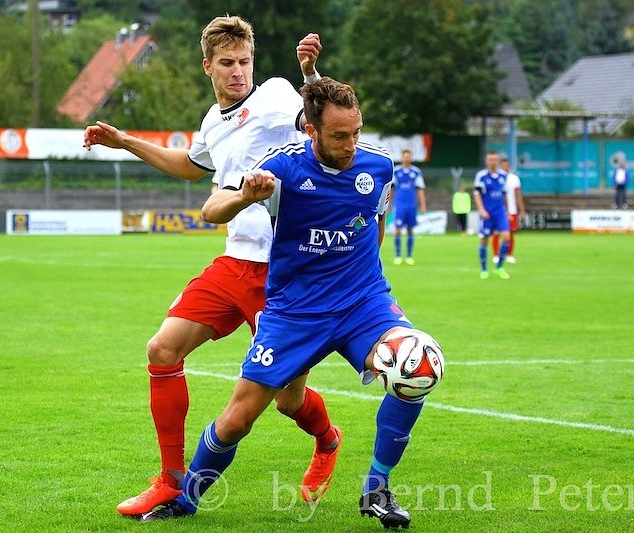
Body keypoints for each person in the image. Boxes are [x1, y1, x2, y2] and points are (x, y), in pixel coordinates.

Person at [140, 77, 439, 530]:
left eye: (356, 131)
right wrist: (245, 195)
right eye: (340, 136)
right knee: (239, 419)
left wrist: (367, 286)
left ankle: (377, 487)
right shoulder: (281, 167)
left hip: (363, 305)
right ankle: (187, 499)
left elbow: (374, 227)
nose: (351, 143)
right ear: (311, 131)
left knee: (420, 365)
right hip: (294, 312)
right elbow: (211, 209)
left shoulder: (378, 166)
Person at [83, 17, 341, 515]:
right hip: (234, 263)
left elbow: (319, 121)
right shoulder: (213, 120)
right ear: (208, 67)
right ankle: (169, 478)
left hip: (286, 275)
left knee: (289, 402)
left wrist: (309, 73)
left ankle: (328, 440)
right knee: (162, 349)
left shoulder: (276, 95)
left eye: (244, 61)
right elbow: (190, 164)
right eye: (227, 63)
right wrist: (126, 142)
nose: (238, 71)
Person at [473, 151, 510, 280]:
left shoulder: (503, 176)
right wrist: (482, 210)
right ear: (486, 161)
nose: (493, 162)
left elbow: (504, 194)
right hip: (487, 214)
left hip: (500, 213)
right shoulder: (481, 176)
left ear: (498, 161)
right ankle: (484, 269)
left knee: (506, 237)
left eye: (495, 160)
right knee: (484, 240)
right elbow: (477, 194)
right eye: (490, 159)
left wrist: (507, 211)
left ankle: (499, 267)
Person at [391, 149, 426, 265]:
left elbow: (420, 189)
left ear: (411, 158)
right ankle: (398, 255)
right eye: (405, 156)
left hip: (411, 204)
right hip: (399, 204)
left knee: (411, 230)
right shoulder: (396, 171)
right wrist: (387, 204)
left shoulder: (416, 172)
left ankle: (409, 256)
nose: (407, 158)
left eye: (408, 156)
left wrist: (423, 204)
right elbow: (390, 188)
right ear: (402, 158)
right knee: (397, 230)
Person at [492, 157, 525, 264]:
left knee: (510, 233)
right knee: (497, 232)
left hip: (512, 210)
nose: (505, 167)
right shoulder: (496, 178)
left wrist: (522, 209)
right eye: (503, 165)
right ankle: (496, 255)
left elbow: (518, 194)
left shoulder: (514, 178)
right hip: (498, 211)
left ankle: (509, 254)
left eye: (507, 165)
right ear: (500, 166)